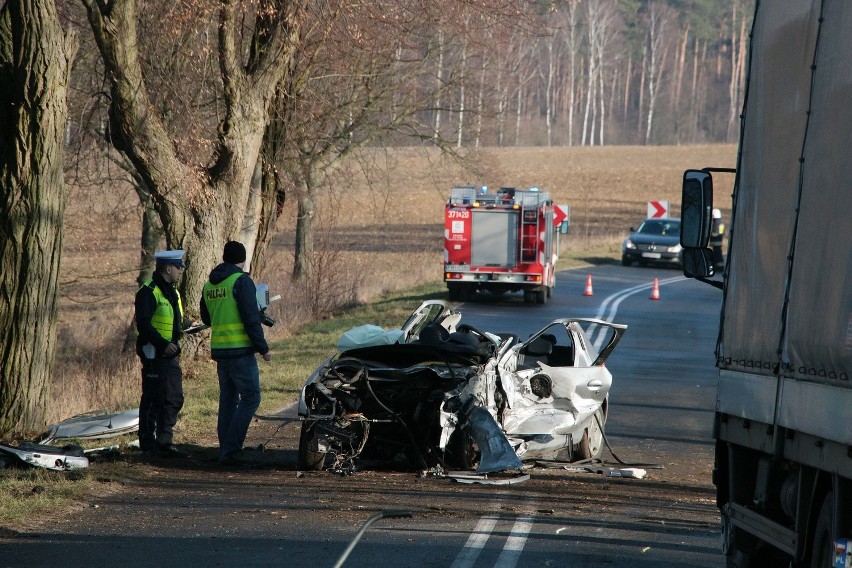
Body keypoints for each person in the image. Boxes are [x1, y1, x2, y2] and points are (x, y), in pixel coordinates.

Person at [200, 241, 271, 465]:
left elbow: (206, 319)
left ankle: (225, 449)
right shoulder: (241, 281)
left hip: (220, 352)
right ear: (242, 259)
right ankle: (231, 448)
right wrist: (263, 348)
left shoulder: (209, 285)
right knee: (251, 398)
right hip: (240, 351)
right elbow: (251, 319)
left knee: (228, 400)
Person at [134, 249, 190, 458]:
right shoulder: (148, 292)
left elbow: (174, 320)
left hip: (170, 355)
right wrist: (163, 344)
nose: (180, 272)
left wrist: (188, 324)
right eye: (178, 268)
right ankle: (148, 444)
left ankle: (165, 441)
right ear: (168, 268)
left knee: (173, 398)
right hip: (154, 354)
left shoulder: (172, 293)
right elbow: (144, 325)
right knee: (153, 398)